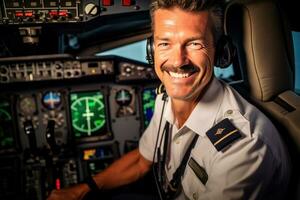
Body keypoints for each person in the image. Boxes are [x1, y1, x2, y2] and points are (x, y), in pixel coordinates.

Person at [48, 0, 290, 199]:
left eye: (194, 43)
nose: (177, 61)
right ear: (151, 50)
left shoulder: (243, 149)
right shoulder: (166, 97)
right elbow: (142, 161)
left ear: (220, 52)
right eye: (165, 43)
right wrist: (82, 189)